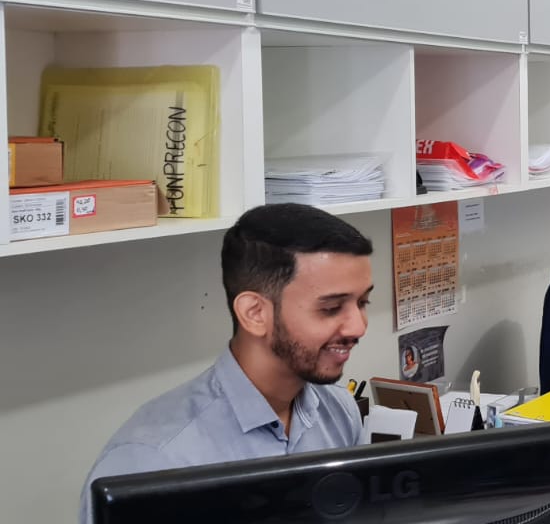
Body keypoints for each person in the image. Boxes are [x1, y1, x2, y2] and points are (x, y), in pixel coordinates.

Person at [80, 204, 374, 523]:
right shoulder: (151, 460)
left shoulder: (339, 411)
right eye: (331, 308)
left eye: (362, 302)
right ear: (254, 313)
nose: (358, 327)